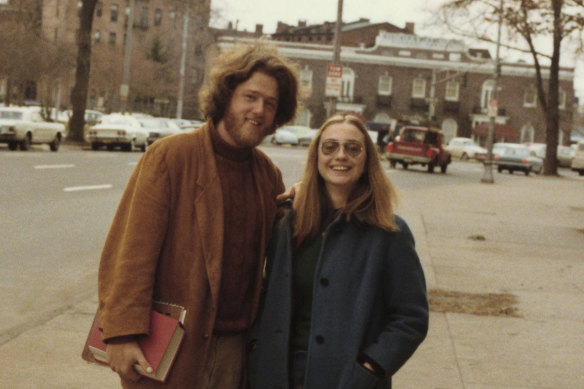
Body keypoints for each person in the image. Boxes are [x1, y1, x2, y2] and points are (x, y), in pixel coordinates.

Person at [97, 41, 299, 389]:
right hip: (170, 349)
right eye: (250, 97)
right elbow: (130, 253)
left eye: (270, 104)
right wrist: (120, 335)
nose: (259, 110)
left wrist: (308, 202)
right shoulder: (171, 157)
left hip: (236, 353)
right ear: (226, 95)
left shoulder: (268, 176)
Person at [248, 114, 429, 389]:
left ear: (367, 159)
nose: (340, 156)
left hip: (348, 379)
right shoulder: (289, 223)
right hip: (278, 374)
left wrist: (370, 367)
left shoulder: (390, 233)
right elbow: (267, 290)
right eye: (330, 147)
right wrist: (255, 346)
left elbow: (411, 319)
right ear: (316, 157)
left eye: (353, 148)